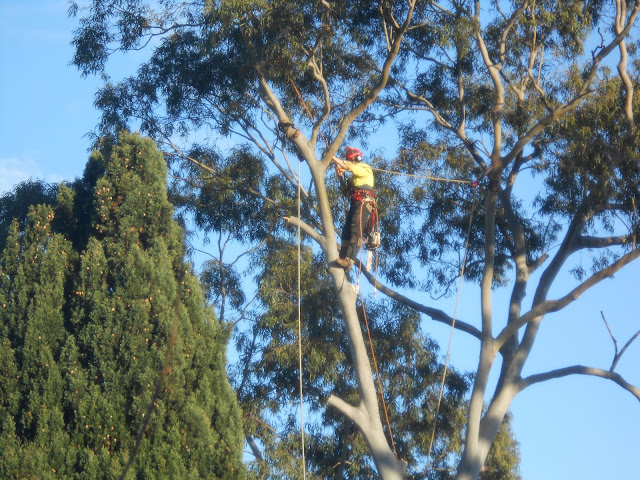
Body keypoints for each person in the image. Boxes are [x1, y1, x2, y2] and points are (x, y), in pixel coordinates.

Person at [331, 147, 375, 270]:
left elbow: (350, 167)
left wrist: (333, 158)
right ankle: (343, 257)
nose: (350, 162)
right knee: (346, 231)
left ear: (357, 159)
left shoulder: (364, 168)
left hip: (364, 202)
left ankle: (349, 260)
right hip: (356, 202)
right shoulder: (355, 178)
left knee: (356, 229)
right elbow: (346, 191)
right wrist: (340, 177)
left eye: (351, 160)